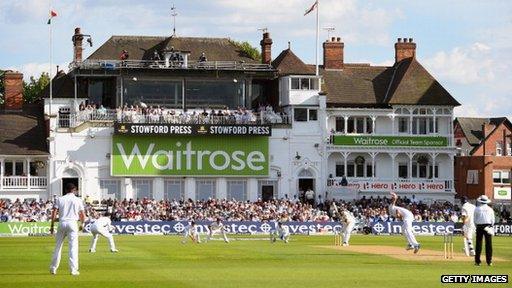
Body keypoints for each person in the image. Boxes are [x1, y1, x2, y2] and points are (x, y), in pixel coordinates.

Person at [49, 183, 86, 276]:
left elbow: (54, 213)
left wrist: (52, 226)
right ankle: (73, 270)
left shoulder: (59, 199)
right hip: (73, 223)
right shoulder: (78, 200)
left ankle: (53, 268)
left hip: (62, 223)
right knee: (73, 248)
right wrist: (82, 224)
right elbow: (82, 215)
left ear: (66, 190)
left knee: (57, 247)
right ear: (74, 190)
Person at [473, 195, 495, 266]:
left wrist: (477, 225)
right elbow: (493, 220)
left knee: (478, 244)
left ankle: (477, 261)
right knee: (488, 244)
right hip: (488, 226)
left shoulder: (477, 209)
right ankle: (489, 261)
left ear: (481, 201)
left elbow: (475, 220)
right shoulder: (490, 209)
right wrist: (491, 226)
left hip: (479, 226)